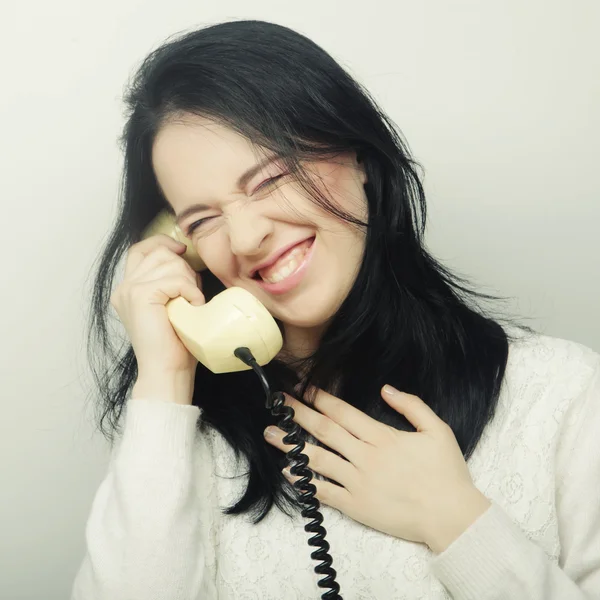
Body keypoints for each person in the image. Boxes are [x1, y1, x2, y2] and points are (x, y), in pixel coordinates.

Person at [72, 19, 600, 600]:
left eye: (271, 177)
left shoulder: (562, 394)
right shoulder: (179, 440)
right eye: (202, 220)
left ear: (357, 156)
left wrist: (457, 523)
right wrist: (165, 376)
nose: (246, 238)